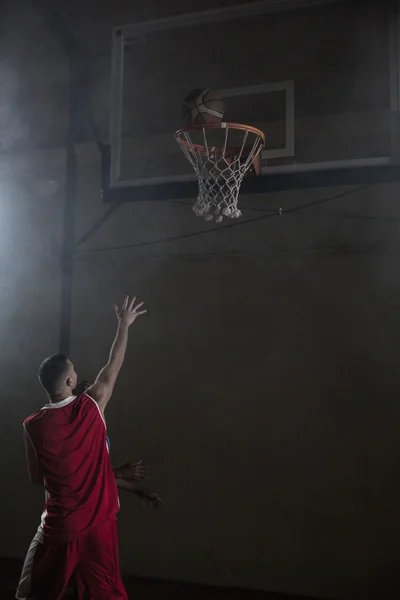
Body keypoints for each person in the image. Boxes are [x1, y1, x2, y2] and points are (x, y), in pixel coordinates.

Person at [17, 296, 147, 600]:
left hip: (62, 525)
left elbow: (37, 478)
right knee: (107, 593)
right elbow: (113, 366)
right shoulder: (91, 405)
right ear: (72, 380)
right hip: (100, 524)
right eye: (74, 369)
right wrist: (124, 325)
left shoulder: (32, 425)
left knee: (32, 593)